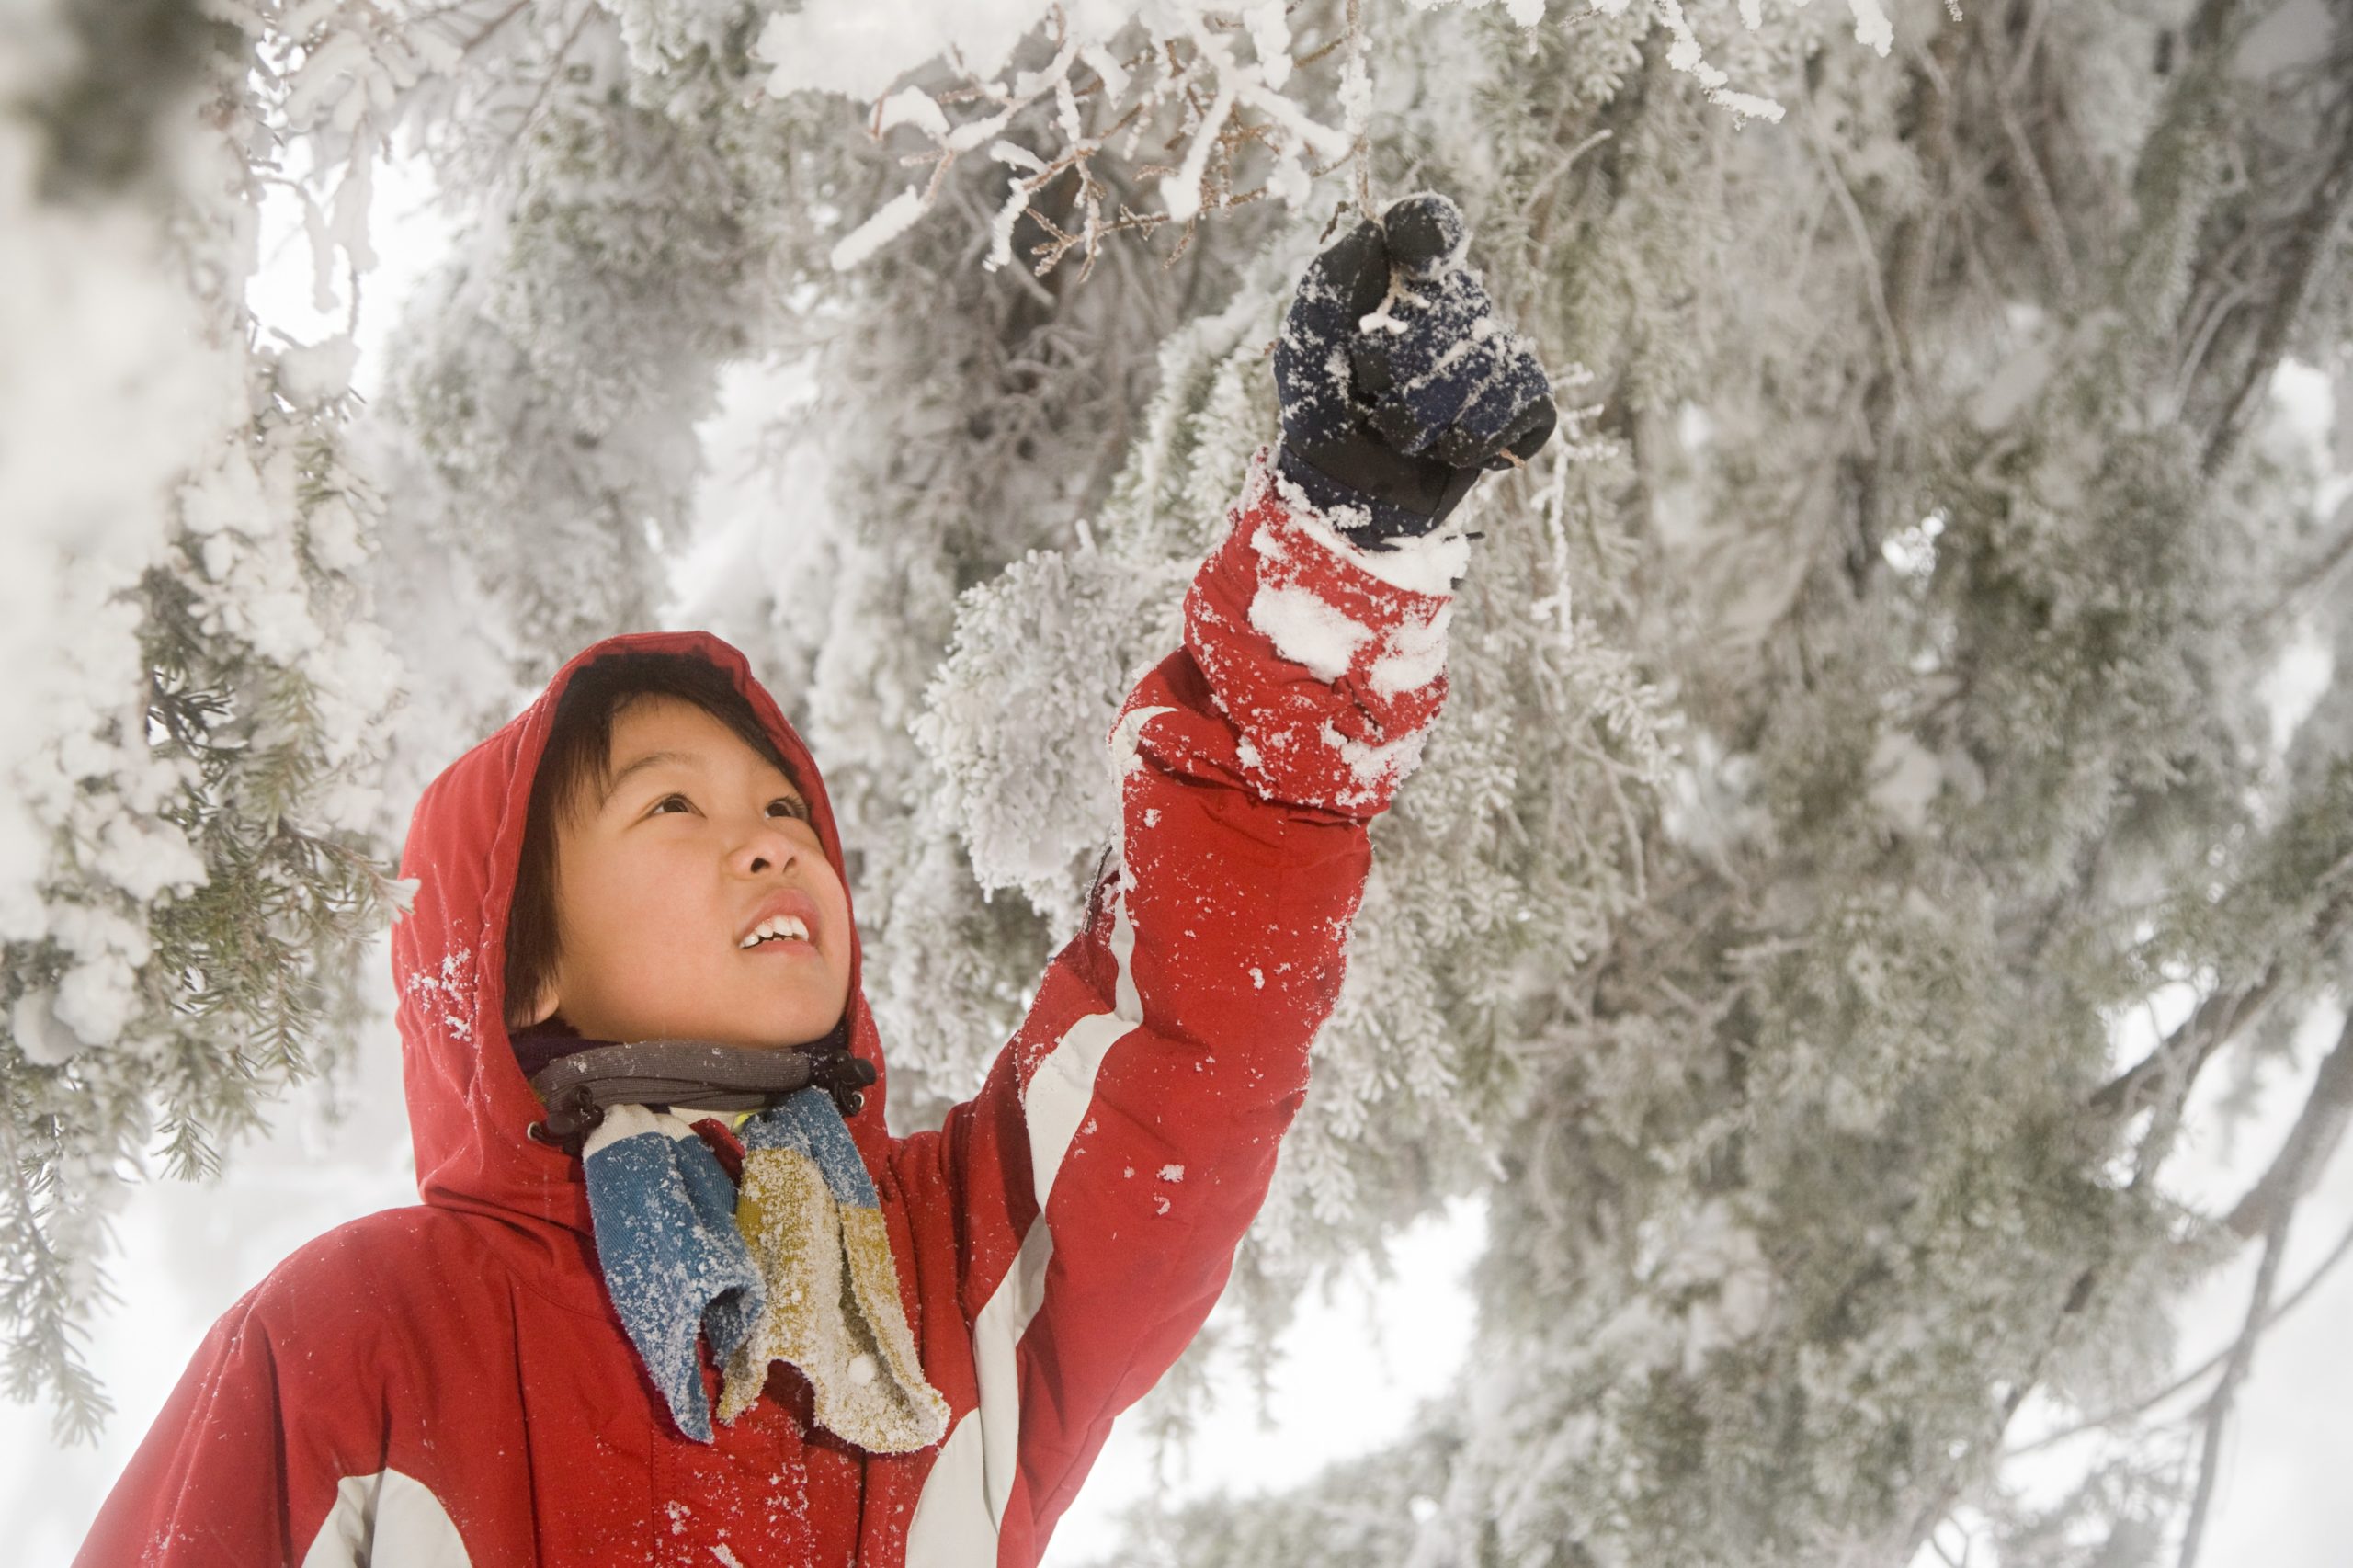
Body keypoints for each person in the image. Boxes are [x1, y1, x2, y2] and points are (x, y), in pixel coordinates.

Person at [74, 192, 1554, 1567]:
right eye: (673, 806)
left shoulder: (942, 1286)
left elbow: (1184, 1040)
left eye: (785, 803)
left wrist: (1333, 569)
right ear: (525, 963)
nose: (772, 838)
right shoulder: (367, 1338)